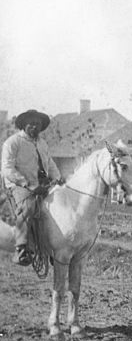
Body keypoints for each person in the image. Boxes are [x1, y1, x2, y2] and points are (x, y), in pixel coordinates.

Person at [1, 109, 63, 265]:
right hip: (18, 185)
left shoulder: (42, 144)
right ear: (24, 125)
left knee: (60, 205)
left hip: (42, 184)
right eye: (32, 124)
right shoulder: (12, 142)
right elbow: (7, 169)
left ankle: (52, 247)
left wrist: (58, 178)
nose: (35, 127)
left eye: (38, 124)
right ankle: (21, 249)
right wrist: (27, 184)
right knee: (28, 207)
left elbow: (50, 163)